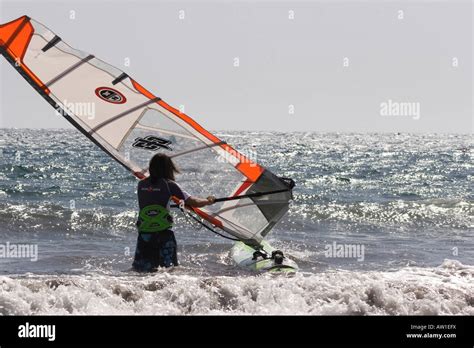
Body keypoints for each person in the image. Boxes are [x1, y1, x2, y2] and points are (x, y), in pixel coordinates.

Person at [132, 153, 215, 272]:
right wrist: (208, 201)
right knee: (170, 270)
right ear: (168, 168)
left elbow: (153, 195)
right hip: (163, 233)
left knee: (141, 270)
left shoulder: (141, 184)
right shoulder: (169, 185)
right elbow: (193, 201)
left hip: (145, 234)